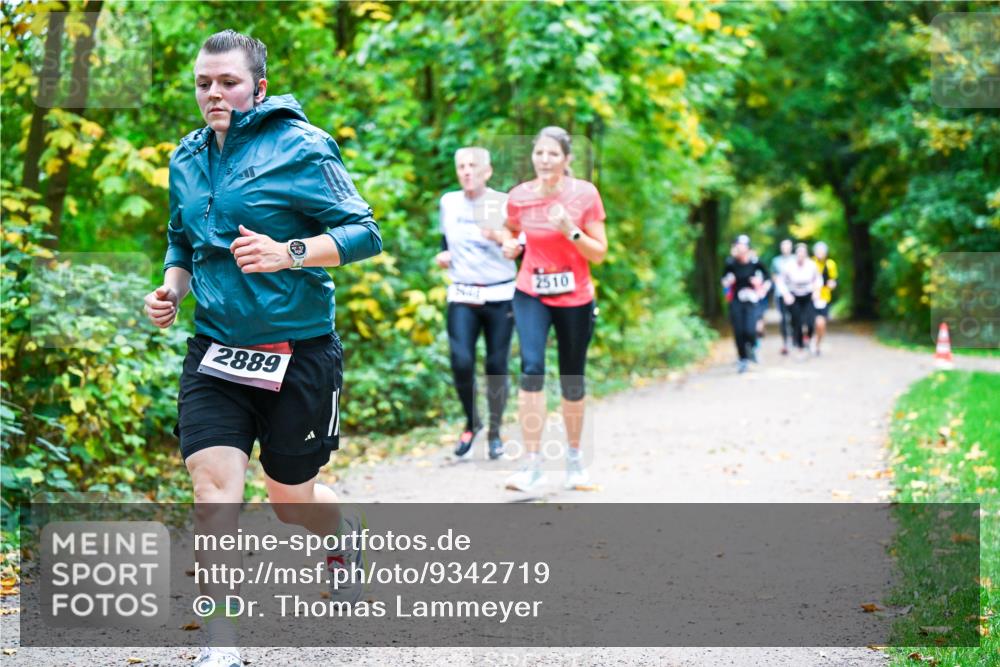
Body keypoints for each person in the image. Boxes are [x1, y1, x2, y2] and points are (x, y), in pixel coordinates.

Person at [143, 30, 382, 667]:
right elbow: (181, 241)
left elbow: (365, 231)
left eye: (227, 82)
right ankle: (223, 641)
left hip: (299, 351)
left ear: (259, 88)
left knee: (289, 501)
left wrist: (288, 253)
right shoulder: (186, 159)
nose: (213, 93)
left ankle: (341, 534)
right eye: (203, 83)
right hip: (216, 352)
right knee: (214, 489)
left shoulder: (301, 147)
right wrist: (171, 288)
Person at [498, 127, 608, 492]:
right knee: (531, 369)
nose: (545, 160)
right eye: (540, 153)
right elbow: (508, 230)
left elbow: (599, 253)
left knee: (571, 377)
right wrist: (510, 244)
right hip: (531, 291)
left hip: (575, 295)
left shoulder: (585, 195)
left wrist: (570, 230)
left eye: (553, 154)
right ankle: (532, 465)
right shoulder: (519, 196)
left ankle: (575, 460)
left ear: (566, 160)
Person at [435, 147, 518, 460]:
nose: (467, 171)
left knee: (496, 365)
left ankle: (496, 432)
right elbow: (446, 241)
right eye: (462, 166)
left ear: (487, 171)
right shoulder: (449, 202)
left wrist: (499, 237)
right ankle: (473, 422)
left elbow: (517, 245)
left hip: (499, 295)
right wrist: (444, 256)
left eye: (473, 166)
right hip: (463, 294)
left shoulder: (502, 202)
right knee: (461, 361)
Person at [720, 235, 769, 373]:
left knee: (750, 330)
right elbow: (724, 280)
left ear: (748, 247)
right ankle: (743, 359)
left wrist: (760, 284)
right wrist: (728, 282)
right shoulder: (731, 263)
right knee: (739, 331)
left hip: (752, 300)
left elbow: (767, 278)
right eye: (738, 245)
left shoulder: (755, 262)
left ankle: (753, 347)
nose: (741, 248)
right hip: (736, 300)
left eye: (743, 245)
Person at [776, 242, 822, 360]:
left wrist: (817, 291)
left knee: (811, 322)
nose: (801, 255)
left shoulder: (812, 265)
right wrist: (786, 294)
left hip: (808, 295)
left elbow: (818, 279)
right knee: (797, 322)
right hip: (794, 296)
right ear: (795, 254)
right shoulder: (788, 266)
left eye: (803, 253)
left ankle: (810, 339)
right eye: (799, 253)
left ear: (806, 254)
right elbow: (781, 281)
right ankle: (800, 348)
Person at [810, 241, 838, 356]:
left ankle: (817, 344)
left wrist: (832, 284)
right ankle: (809, 340)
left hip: (824, 298)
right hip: (811, 298)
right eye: (818, 251)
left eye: (822, 251)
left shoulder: (830, 264)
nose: (820, 254)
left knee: (821, 324)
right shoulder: (810, 263)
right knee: (812, 322)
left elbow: (834, 279)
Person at [770, 239, 795, 355]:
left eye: (788, 246)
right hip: (780, 294)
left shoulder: (795, 259)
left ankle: (796, 339)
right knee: (784, 318)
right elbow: (773, 276)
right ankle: (785, 342)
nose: (786, 249)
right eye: (784, 246)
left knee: (795, 317)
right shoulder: (776, 261)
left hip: (795, 293)